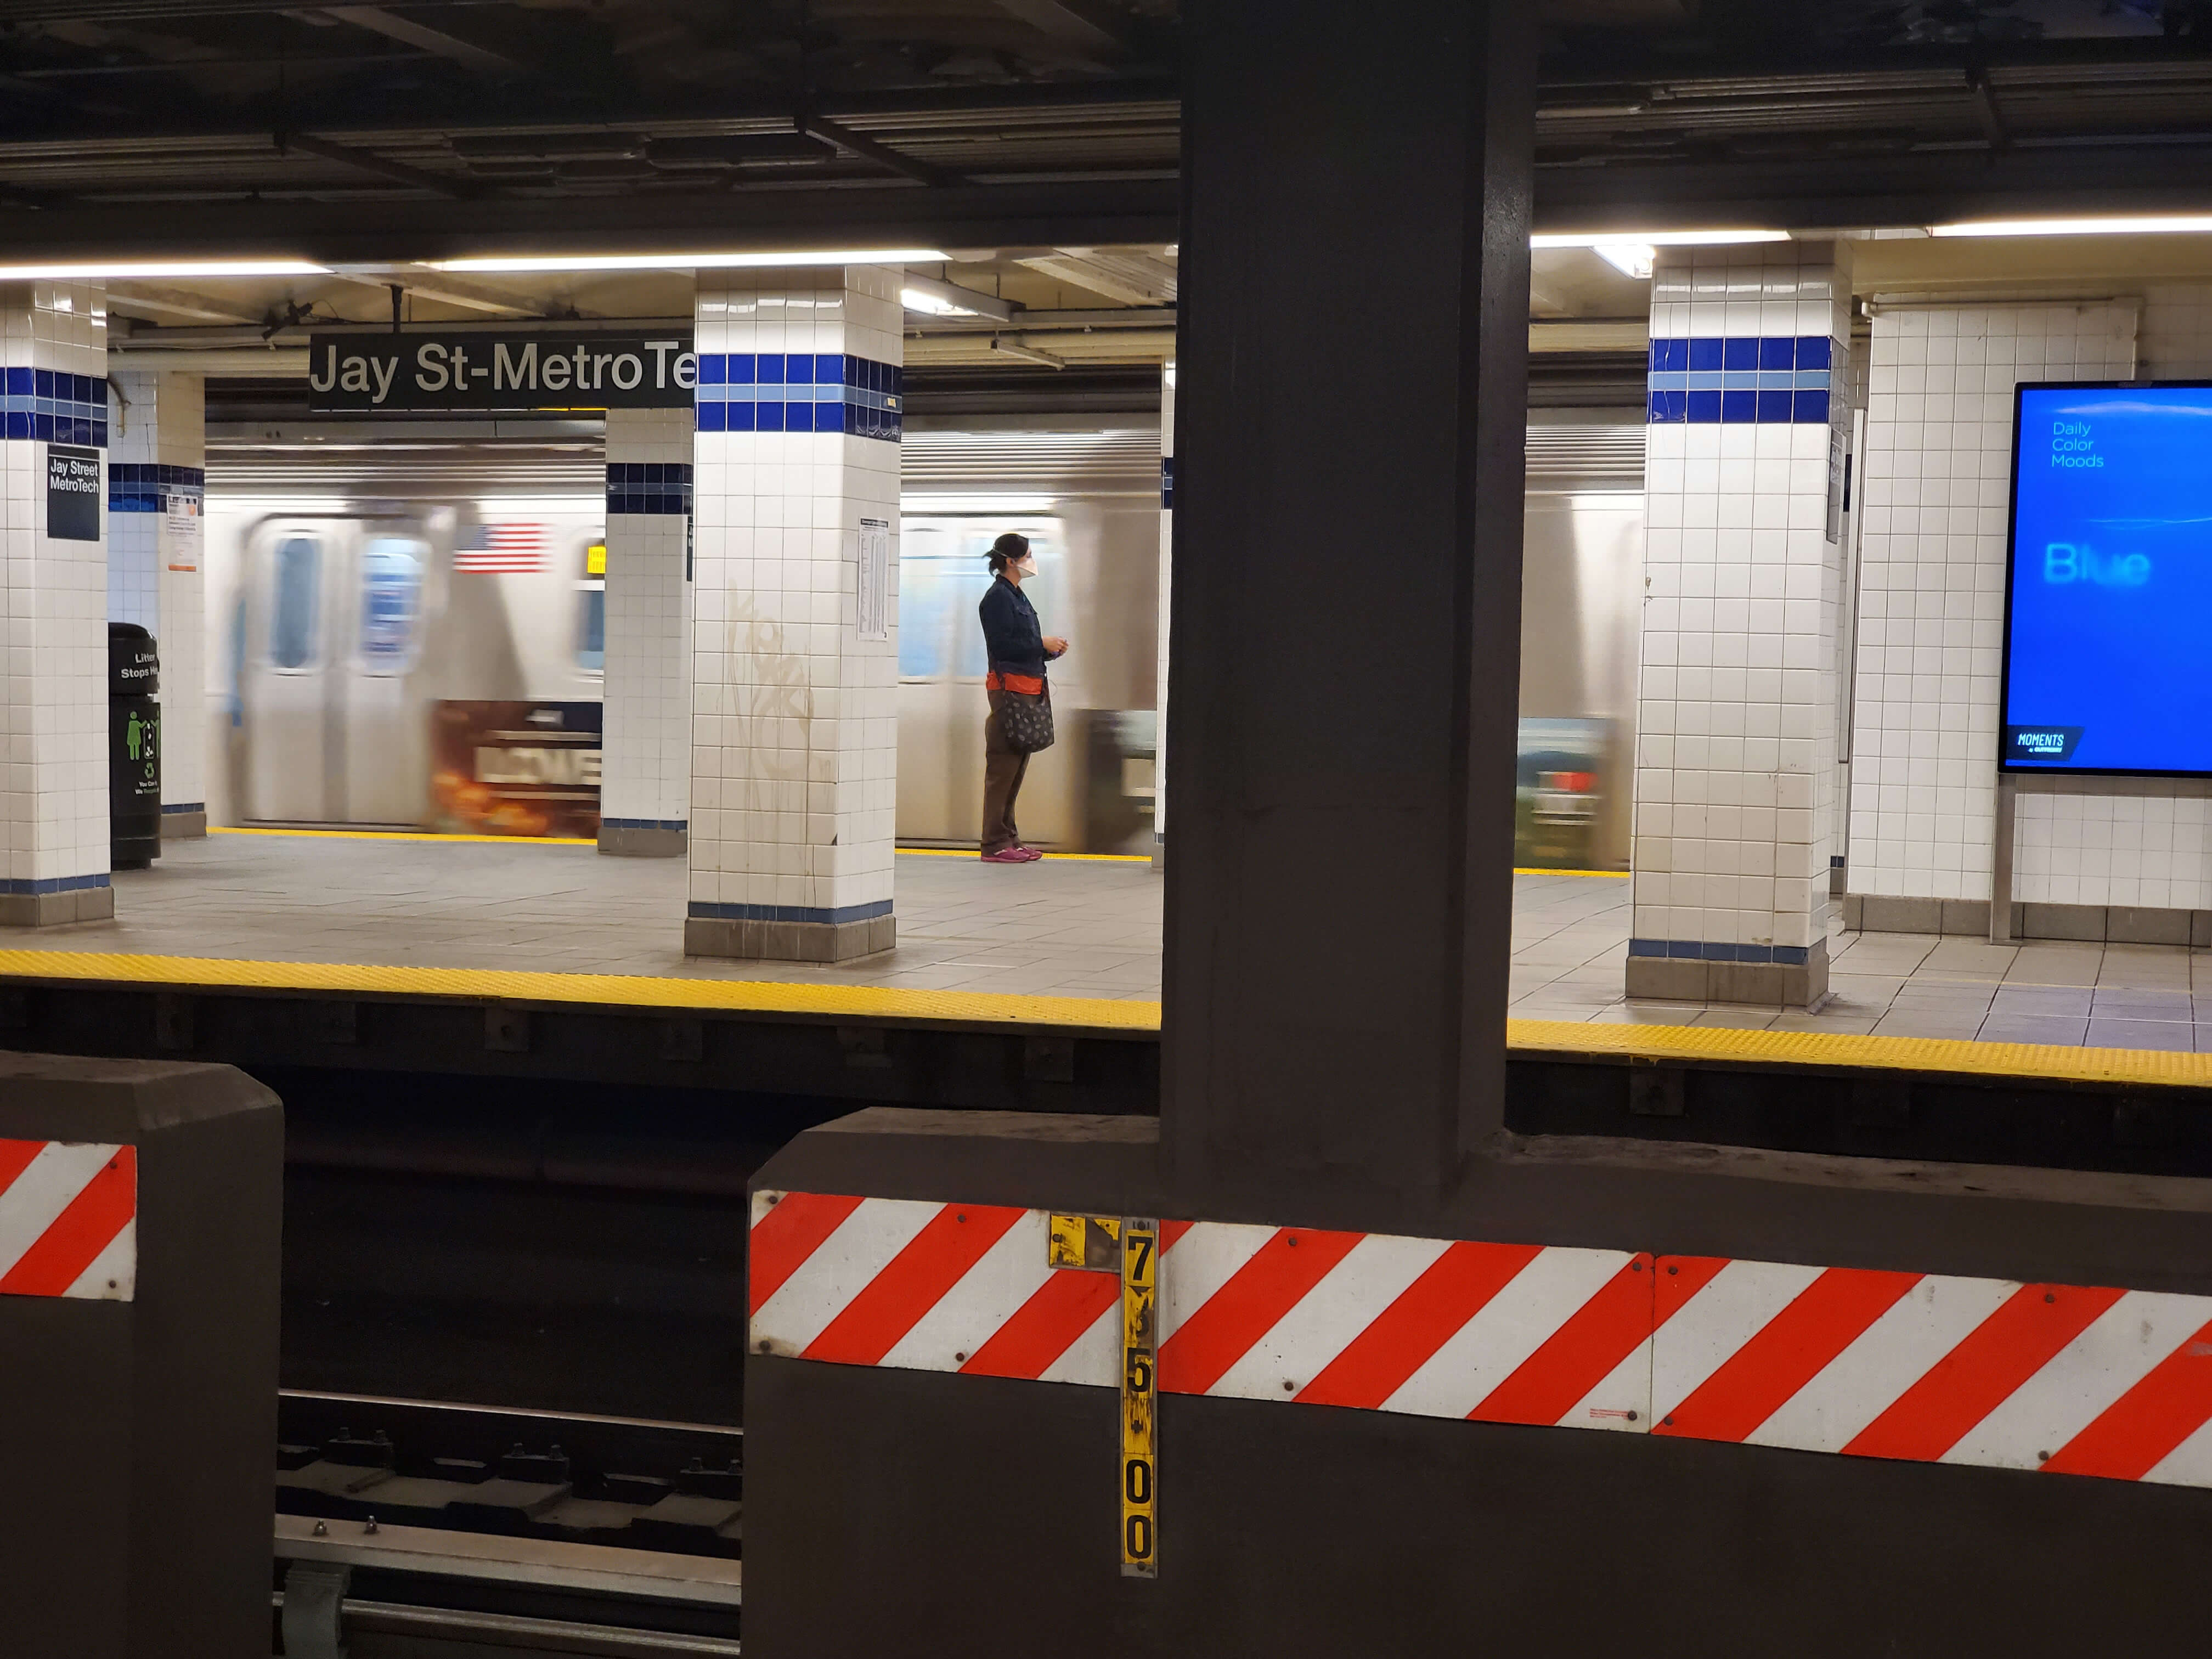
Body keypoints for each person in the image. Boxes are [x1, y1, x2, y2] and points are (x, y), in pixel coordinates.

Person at [976, 532, 1067, 862]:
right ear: (1010, 561)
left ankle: (1010, 838)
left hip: (1025, 690)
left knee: (1016, 766)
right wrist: (1042, 644)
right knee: (1003, 769)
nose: (1032, 561)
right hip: (1008, 694)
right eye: (1027, 555)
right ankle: (994, 843)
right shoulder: (998, 598)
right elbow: (1003, 648)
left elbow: (1022, 646)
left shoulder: (1017, 595)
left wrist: (1049, 652)